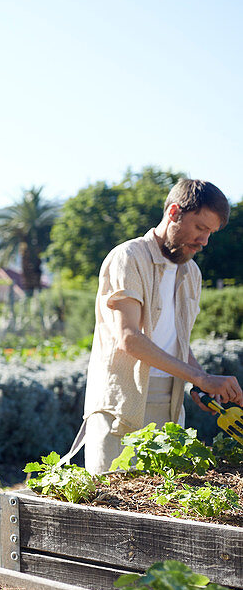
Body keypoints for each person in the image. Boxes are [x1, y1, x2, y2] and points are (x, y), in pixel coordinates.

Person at [80, 177, 243, 474]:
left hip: (170, 399)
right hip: (122, 402)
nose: (204, 241)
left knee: (161, 509)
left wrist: (199, 381)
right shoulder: (128, 257)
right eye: (200, 228)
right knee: (112, 507)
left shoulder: (191, 272)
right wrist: (201, 377)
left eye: (211, 233)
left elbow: (177, 341)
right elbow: (129, 338)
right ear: (173, 212)